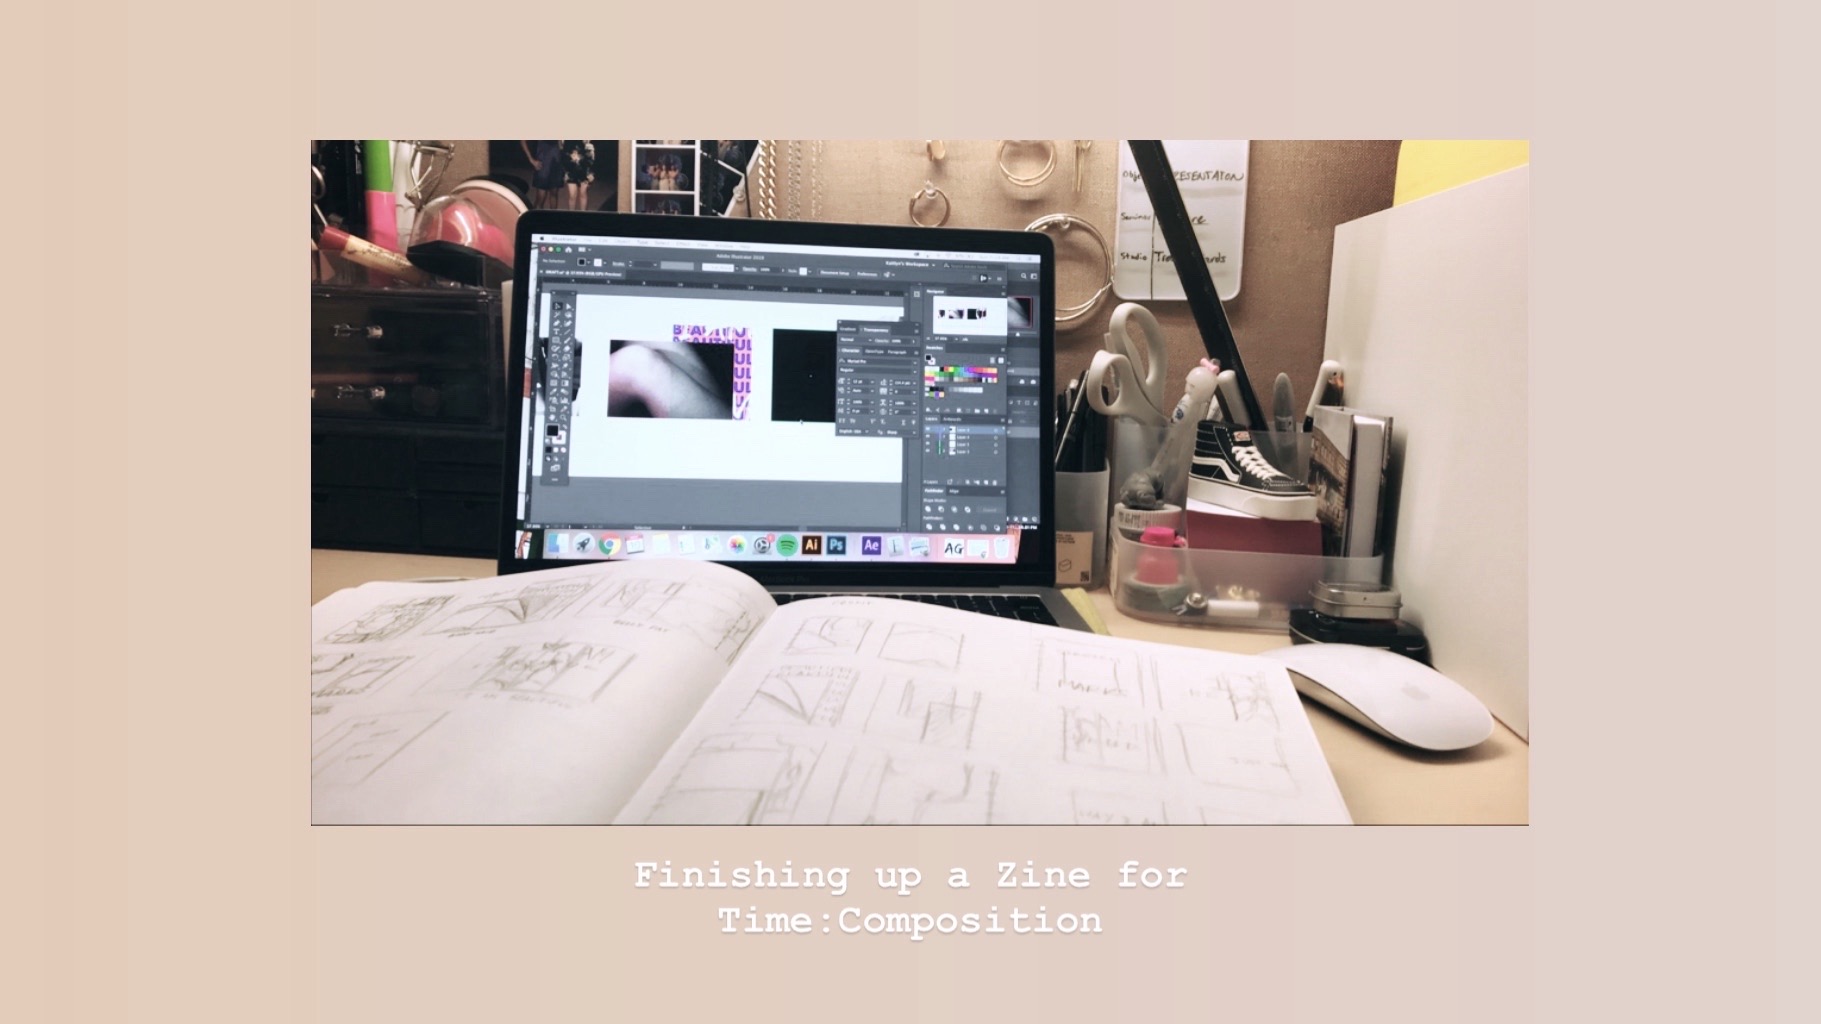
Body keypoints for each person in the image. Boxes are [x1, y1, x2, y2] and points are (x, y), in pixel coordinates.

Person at [520, 140, 563, 209]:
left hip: (556, 163)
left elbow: (560, 144)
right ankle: (536, 215)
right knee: (540, 197)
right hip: (543, 164)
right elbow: (522, 140)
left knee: (554, 194)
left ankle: (553, 215)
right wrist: (531, 160)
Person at [560, 140, 596, 211]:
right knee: (572, 195)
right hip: (570, 168)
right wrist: (570, 156)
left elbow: (591, 156)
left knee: (583, 193)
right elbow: (563, 154)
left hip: (584, 168)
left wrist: (591, 172)